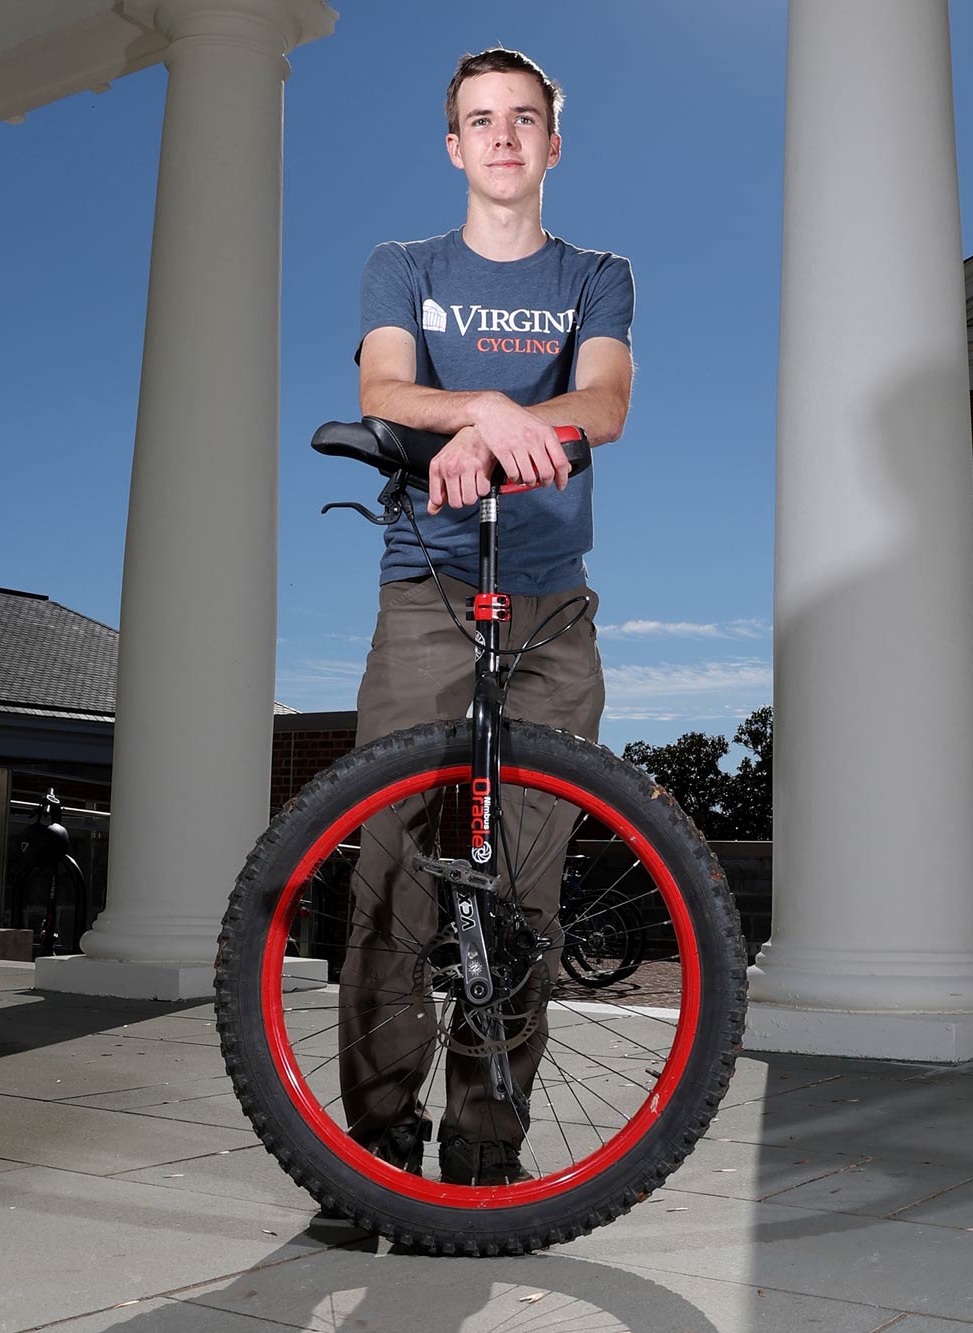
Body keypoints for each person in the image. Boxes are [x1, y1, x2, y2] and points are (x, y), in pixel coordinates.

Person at [336, 47, 635, 1188]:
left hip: (551, 606)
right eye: (479, 120)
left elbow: (602, 404)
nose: (502, 136)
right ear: (453, 146)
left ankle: (481, 1150)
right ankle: (372, 1147)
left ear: (551, 144)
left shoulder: (594, 274)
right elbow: (380, 392)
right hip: (426, 592)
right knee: (391, 868)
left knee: (522, 889)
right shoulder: (401, 267)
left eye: (523, 119)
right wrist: (483, 411)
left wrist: (490, 432)